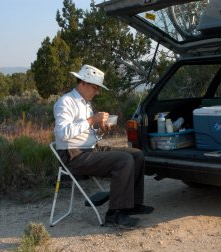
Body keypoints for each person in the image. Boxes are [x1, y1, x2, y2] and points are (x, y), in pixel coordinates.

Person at [53, 64, 153, 228]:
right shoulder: (66, 102)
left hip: (91, 150)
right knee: (124, 160)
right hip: (74, 156)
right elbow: (62, 133)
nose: (98, 92)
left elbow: (86, 133)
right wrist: (92, 120)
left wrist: (100, 130)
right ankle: (114, 215)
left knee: (137, 154)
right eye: (96, 88)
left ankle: (132, 204)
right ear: (83, 83)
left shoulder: (85, 103)